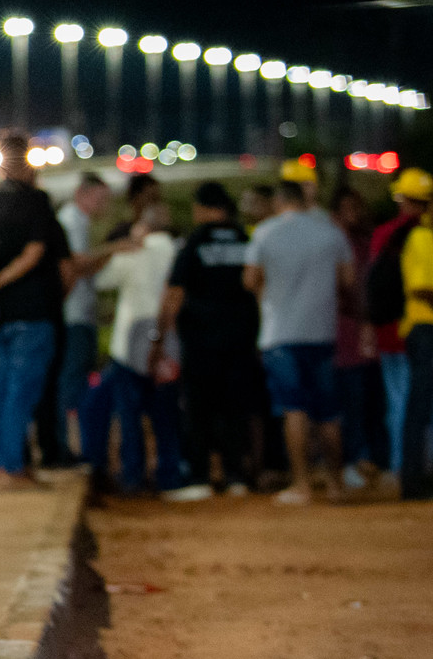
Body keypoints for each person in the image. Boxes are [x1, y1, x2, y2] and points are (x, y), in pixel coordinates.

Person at [0, 133, 72, 488]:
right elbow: (35, 253)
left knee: (1, 392)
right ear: (27, 161)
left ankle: (0, 465)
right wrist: (1, 283)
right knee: (21, 393)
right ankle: (13, 469)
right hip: (33, 312)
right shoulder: (37, 202)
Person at [244, 180, 357, 505]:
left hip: (280, 334)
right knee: (328, 412)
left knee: (294, 409)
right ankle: (337, 484)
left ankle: (302, 484)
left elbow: (250, 279)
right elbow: (347, 280)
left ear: (280, 201)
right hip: (321, 332)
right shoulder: (330, 233)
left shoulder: (265, 232)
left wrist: (271, 292)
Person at [159, 182, 261, 495]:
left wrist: (161, 335)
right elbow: (257, 287)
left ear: (204, 208)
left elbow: (175, 293)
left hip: (202, 340)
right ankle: (236, 476)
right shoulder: (247, 239)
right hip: (241, 339)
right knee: (235, 407)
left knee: (199, 408)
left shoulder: (195, 241)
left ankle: (200, 477)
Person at [92, 202, 192, 496]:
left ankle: (133, 477)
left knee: (130, 415)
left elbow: (100, 282)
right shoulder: (178, 252)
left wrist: (114, 249)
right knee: (165, 415)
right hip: (168, 343)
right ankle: (169, 474)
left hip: (128, 343)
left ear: (144, 226)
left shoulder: (132, 254)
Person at [368, 168, 433, 488]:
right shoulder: (428, 234)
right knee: (425, 405)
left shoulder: (385, 234)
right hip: (424, 328)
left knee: (400, 403)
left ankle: (400, 467)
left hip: (392, 330)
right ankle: (421, 469)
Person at [52, 174, 117, 465]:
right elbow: (78, 263)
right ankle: (69, 446)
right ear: (82, 194)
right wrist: (115, 249)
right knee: (71, 384)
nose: (103, 205)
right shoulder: (72, 220)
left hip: (81, 313)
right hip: (74, 315)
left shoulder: (80, 220)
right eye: (99, 199)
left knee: (74, 382)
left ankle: (73, 446)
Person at [329, 185, 388, 489]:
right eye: (347, 208)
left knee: (373, 403)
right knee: (348, 404)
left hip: (370, 337)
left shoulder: (368, 242)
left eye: (357, 207)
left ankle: (375, 461)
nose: (355, 214)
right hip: (341, 339)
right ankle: (350, 461)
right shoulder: (331, 244)